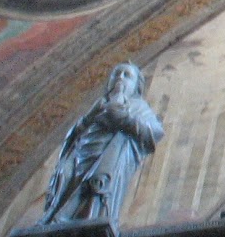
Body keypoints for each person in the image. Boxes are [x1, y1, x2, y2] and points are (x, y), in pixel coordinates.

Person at [41, 63, 163, 227]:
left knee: (97, 186)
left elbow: (154, 133)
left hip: (108, 157)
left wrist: (122, 117)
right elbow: (74, 135)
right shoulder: (99, 104)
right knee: (65, 175)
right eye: (116, 74)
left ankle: (89, 219)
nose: (120, 78)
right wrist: (89, 117)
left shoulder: (138, 107)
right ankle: (56, 217)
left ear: (136, 86)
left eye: (127, 75)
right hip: (81, 155)